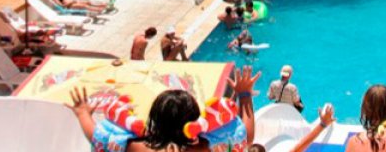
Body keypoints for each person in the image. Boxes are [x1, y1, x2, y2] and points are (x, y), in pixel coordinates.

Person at [67, 65, 260, 152]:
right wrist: (244, 95)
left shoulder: (135, 147)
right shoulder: (209, 147)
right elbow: (246, 135)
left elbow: (96, 135)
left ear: (154, 119)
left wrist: (83, 113)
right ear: (195, 121)